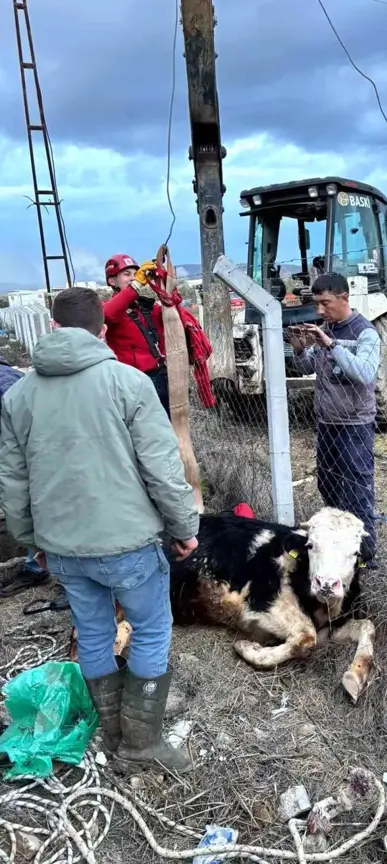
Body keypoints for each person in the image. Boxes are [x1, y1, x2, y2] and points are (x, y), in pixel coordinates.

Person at [0, 288, 200, 773]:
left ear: (52, 328)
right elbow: (162, 467)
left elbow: (13, 479)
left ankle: (112, 735)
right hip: (127, 543)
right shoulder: (128, 383)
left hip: (62, 547)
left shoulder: (19, 394)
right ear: (103, 329)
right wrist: (183, 526)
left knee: (92, 632)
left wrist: (32, 542)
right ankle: (140, 745)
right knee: (151, 630)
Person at [288, 272, 380, 567]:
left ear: (344, 298)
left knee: (357, 490)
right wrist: (299, 346)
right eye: (316, 304)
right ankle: (336, 546)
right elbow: (304, 367)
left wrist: (331, 345)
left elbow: (365, 374)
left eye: (325, 303)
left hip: (354, 427)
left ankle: (366, 555)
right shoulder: (324, 329)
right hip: (327, 424)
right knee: (328, 486)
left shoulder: (365, 333)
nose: (320, 311)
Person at [0, 353, 52, 598]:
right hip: (36, 456)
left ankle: (43, 567)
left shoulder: (6, 385)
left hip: (32, 459)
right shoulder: (15, 378)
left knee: (31, 505)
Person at [103, 254, 170, 416]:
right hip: (131, 383)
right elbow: (108, 314)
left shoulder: (147, 308)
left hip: (160, 378)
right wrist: (136, 285)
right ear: (112, 281)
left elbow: (172, 316)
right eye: (127, 274)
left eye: (136, 274)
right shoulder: (108, 308)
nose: (134, 278)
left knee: (165, 428)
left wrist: (164, 284)